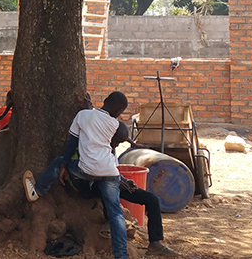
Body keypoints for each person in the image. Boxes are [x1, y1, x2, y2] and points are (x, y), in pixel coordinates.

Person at [23, 91, 131, 259]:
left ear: (105, 100)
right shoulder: (115, 125)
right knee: (116, 213)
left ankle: (37, 190)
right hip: (110, 172)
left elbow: (72, 143)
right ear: (119, 112)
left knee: (58, 162)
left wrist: (66, 165)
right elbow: (112, 129)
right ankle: (121, 254)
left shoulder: (83, 116)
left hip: (86, 169)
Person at [109, 122, 177, 257]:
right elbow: (103, 174)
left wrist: (125, 181)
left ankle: (155, 243)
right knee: (109, 194)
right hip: (100, 184)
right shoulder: (96, 147)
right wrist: (121, 181)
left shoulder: (111, 143)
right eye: (116, 142)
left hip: (116, 181)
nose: (116, 145)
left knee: (152, 200)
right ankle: (108, 225)